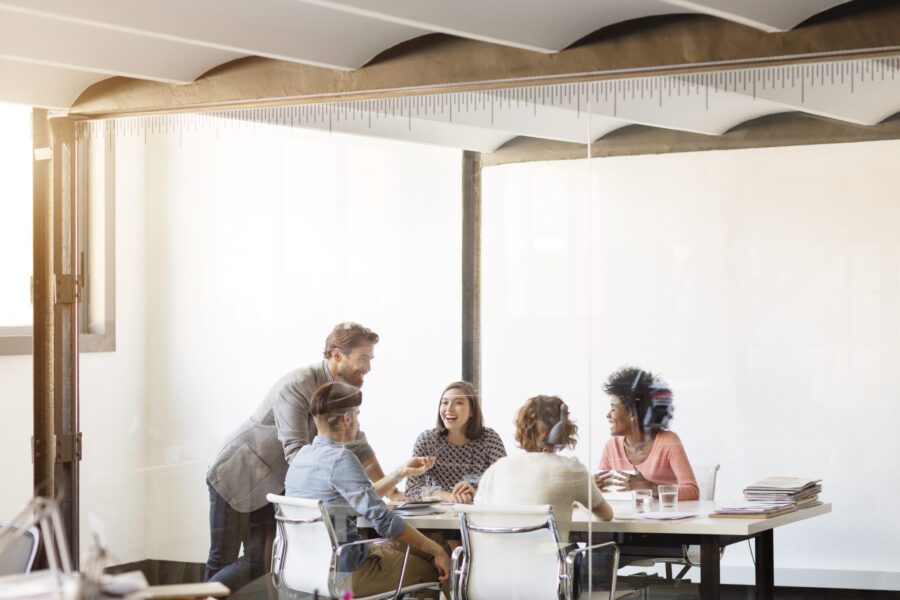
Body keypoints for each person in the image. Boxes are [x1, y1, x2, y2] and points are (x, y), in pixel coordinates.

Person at [203, 322, 397, 593]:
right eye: (363, 358)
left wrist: (394, 491)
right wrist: (337, 478)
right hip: (238, 475)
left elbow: (359, 445)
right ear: (337, 354)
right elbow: (296, 454)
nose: (368, 368)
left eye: (370, 359)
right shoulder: (297, 385)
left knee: (262, 562)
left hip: (272, 485)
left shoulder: (341, 392)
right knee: (224, 558)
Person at [286, 381, 450, 597]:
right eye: (358, 416)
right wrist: (438, 552)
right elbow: (383, 519)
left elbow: (360, 499)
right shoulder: (341, 458)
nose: (358, 422)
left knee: (428, 547)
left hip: (305, 570)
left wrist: (400, 473)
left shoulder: (302, 458)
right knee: (434, 565)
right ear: (348, 418)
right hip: (348, 572)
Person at [475, 395, 613, 543]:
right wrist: (574, 500)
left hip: (497, 563)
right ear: (562, 430)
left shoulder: (497, 469)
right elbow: (606, 515)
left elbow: (478, 515)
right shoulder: (572, 470)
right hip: (549, 564)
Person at [594, 367, 699, 500]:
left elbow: (692, 491)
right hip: (626, 519)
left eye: (613, 408)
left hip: (664, 519)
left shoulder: (668, 441)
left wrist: (651, 488)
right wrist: (592, 487)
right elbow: (603, 494)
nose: (608, 415)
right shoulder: (612, 446)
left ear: (632, 412)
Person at [405, 381, 507, 503]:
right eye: (445, 403)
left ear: (472, 411)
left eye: (458, 403)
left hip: (478, 513)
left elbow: (505, 485)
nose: (449, 409)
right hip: (436, 515)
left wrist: (477, 493)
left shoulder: (489, 439)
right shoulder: (427, 440)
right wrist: (449, 496)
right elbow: (411, 490)